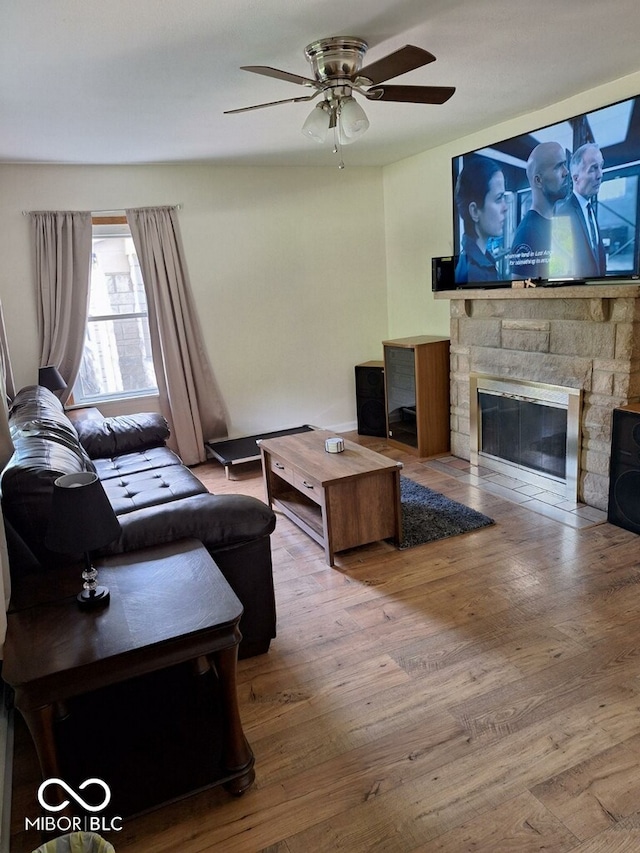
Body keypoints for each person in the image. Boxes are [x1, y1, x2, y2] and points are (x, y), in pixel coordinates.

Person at [508, 141, 570, 280]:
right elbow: (521, 296)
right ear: (538, 180)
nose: (566, 172)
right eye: (558, 166)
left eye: (565, 164)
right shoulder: (528, 232)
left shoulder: (559, 221)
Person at [551, 142, 606, 279]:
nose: (600, 174)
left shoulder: (589, 209)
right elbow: (560, 274)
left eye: (601, 166)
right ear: (576, 178)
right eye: (593, 168)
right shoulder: (563, 215)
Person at [454, 155, 508, 284]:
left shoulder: (480, 260)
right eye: (498, 198)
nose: (505, 207)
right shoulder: (474, 273)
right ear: (474, 211)